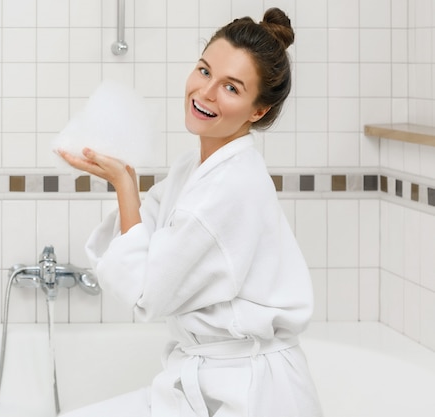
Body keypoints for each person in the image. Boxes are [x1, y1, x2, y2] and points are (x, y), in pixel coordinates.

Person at [57, 7, 323, 417]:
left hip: (249, 394)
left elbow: (149, 295)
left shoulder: (232, 187)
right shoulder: (195, 168)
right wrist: (125, 179)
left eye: (231, 88)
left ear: (258, 111)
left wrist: (125, 184)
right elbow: (143, 239)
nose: (205, 92)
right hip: (207, 379)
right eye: (204, 71)